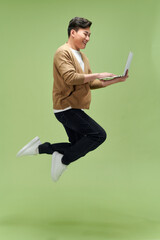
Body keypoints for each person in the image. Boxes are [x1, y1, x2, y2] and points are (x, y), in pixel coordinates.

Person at [17, 17, 129, 182]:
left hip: (74, 108)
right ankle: (63, 160)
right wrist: (98, 74)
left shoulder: (84, 58)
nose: (88, 38)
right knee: (98, 135)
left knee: (77, 146)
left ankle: (39, 148)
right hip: (66, 108)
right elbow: (70, 78)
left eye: (90, 35)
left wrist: (116, 80)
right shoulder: (62, 52)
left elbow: (89, 83)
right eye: (85, 34)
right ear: (73, 32)